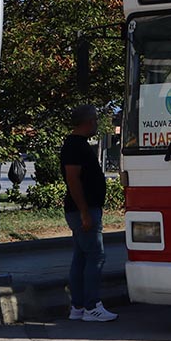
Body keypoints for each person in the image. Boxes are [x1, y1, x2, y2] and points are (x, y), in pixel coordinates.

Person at [61, 105, 117, 322]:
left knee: (81, 256)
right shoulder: (75, 146)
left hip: (83, 208)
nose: (97, 123)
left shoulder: (77, 145)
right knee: (96, 256)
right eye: (95, 119)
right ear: (88, 121)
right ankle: (92, 306)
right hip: (82, 209)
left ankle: (78, 306)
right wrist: (85, 211)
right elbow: (73, 179)